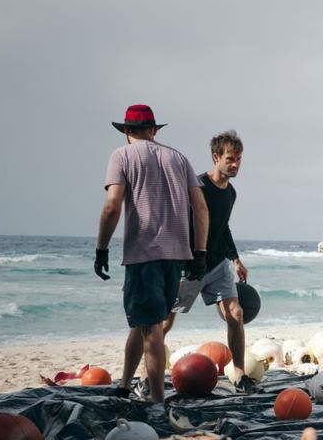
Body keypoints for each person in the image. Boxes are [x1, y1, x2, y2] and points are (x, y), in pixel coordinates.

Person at [94, 104, 209, 403]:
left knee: (152, 327)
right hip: (177, 253)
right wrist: (200, 251)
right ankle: (124, 384)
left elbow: (112, 205)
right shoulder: (179, 158)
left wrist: (101, 248)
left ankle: (156, 398)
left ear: (127, 131)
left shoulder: (121, 156)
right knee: (143, 322)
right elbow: (201, 208)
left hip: (144, 253)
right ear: (154, 130)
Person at [162, 130, 256, 393]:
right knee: (165, 322)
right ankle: (150, 376)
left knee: (235, 315)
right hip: (189, 266)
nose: (235, 164)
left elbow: (223, 228)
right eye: (230, 159)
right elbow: (176, 223)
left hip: (218, 266)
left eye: (238, 159)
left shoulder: (231, 193)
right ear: (216, 157)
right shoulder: (197, 186)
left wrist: (236, 259)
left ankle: (240, 375)